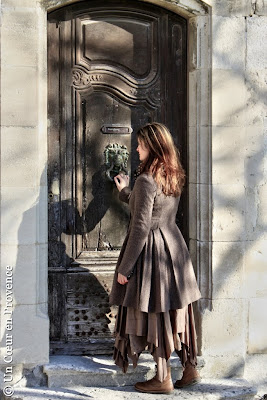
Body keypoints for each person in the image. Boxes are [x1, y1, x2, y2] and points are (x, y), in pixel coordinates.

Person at [109, 122, 201, 394]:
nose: (136, 148)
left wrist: (125, 268)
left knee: (157, 312)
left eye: (140, 144)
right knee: (176, 308)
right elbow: (148, 205)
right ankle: (190, 368)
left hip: (153, 253)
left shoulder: (148, 179)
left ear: (153, 146)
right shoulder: (170, 175)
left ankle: (162, 379)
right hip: (175, 248)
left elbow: (140, 226)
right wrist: (125, 190)